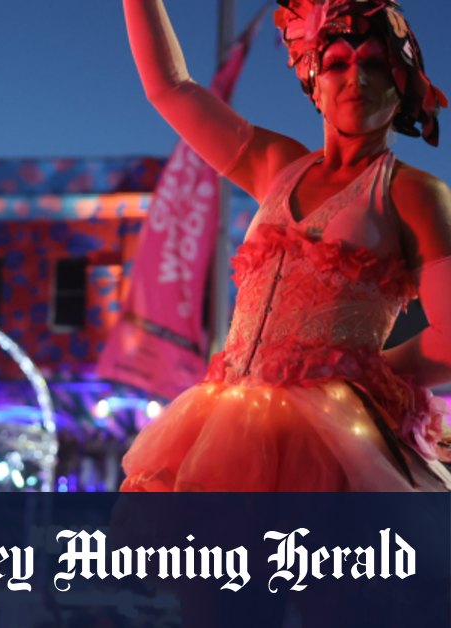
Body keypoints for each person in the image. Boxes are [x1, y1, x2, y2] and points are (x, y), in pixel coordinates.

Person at [118, 0, 451, 491]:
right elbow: (170, 88)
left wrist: (365, 373)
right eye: (336, 63)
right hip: (223, 424)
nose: (355, 78)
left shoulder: (412, 193)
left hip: (333, 444)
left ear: (401, 84)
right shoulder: (276, 165)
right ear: (313, 79)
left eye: (375, 64)